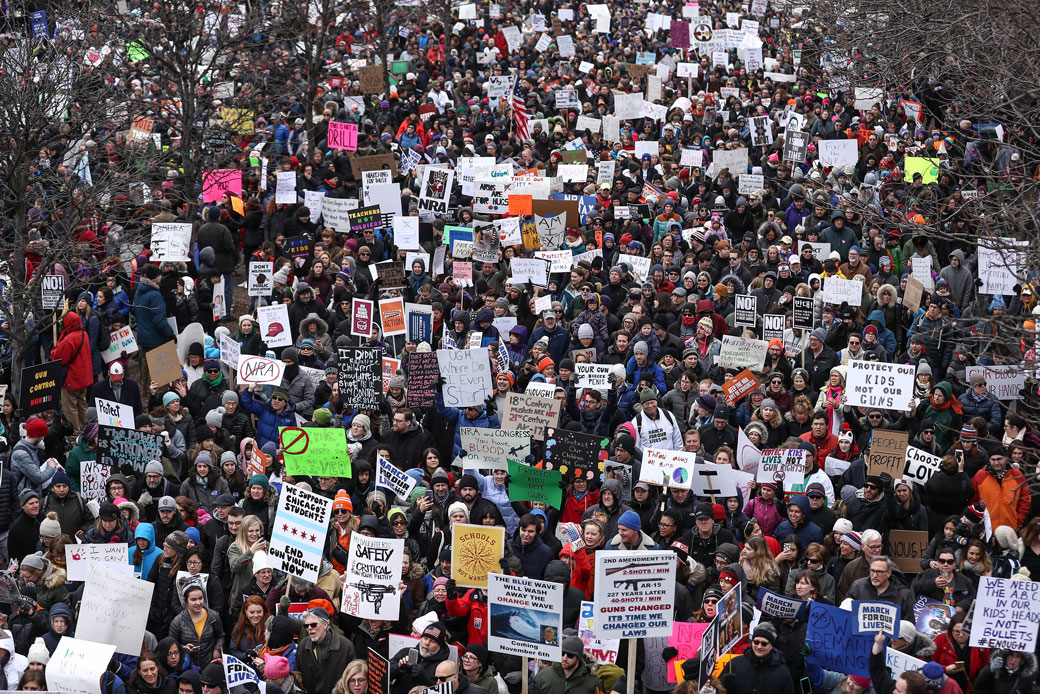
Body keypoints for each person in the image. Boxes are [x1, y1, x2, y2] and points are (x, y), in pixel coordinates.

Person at [719, 624, 796, 694]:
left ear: (771, 646)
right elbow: (717, 690)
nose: (759, 646)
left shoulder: (782, 672)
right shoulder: (734, 664)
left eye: (764, 643)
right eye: (756, 642)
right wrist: (723, 685)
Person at [533, 634, 603, 694]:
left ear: (578, 658)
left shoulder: (592, 682)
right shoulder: (543, 676)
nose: (564, 658)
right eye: (562, 653)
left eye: (570, 655)